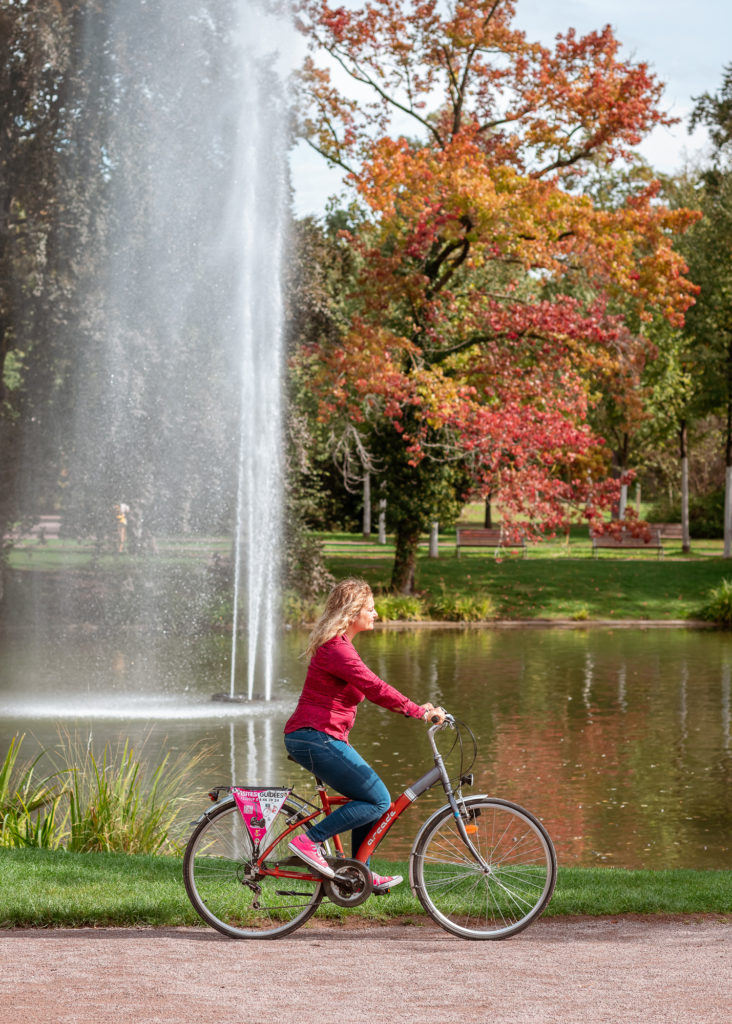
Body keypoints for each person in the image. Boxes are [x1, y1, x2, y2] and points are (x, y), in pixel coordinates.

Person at [283, 577, 445, 892]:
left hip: (319, 737)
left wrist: (417, 707)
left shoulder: (340, 647)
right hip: (314, 736)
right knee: (379, 799)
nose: (376, 614)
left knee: (373, 799)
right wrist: (418, 711)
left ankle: (359, 874)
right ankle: (308, 842)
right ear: (353, 612)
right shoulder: (337, 650)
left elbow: (372, 686)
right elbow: (375, 688)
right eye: (370, 609)